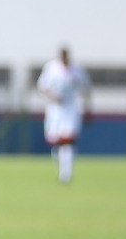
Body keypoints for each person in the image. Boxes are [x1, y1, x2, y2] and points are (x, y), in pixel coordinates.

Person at [37, 47, 92, 183]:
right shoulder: (51, 68)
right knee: (55, 142)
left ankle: (65, 173)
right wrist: (52, 97)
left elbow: (85, 89)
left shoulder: (77, 70)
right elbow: (42, 88)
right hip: (54, 110)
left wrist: (87, 108)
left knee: (67, 140)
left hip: (70, 108)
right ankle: (61, 169)